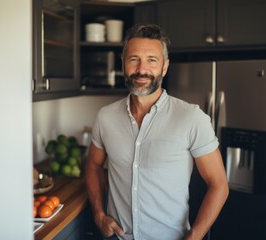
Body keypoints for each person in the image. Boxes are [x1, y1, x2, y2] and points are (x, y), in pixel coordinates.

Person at [85, 23, 229, 240]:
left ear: (164, 66)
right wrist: (98, 214)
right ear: (123, 63)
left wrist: (195, 235)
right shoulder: (105, 117)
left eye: (152, 60)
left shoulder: (191, 118)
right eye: (134, 59)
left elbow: (219, 185)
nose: (142, 69)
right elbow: (93, 165)